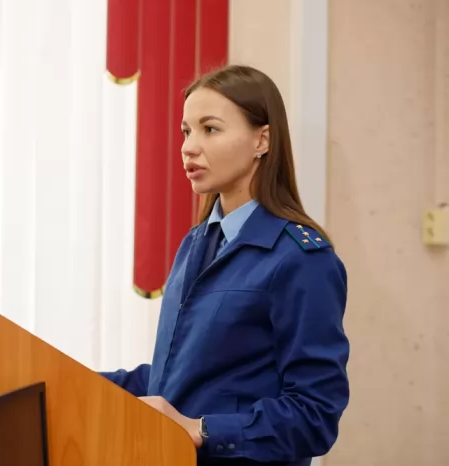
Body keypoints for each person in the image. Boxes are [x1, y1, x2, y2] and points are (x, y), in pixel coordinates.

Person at [100, 65, 350, 466]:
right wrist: (66, 376)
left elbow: (314, 415)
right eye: (186, 131)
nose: (189, 147)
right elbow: (178, 378)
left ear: (261, 140)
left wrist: (202, 430)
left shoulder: (302, 259)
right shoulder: (196, 243)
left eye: (210, 129)